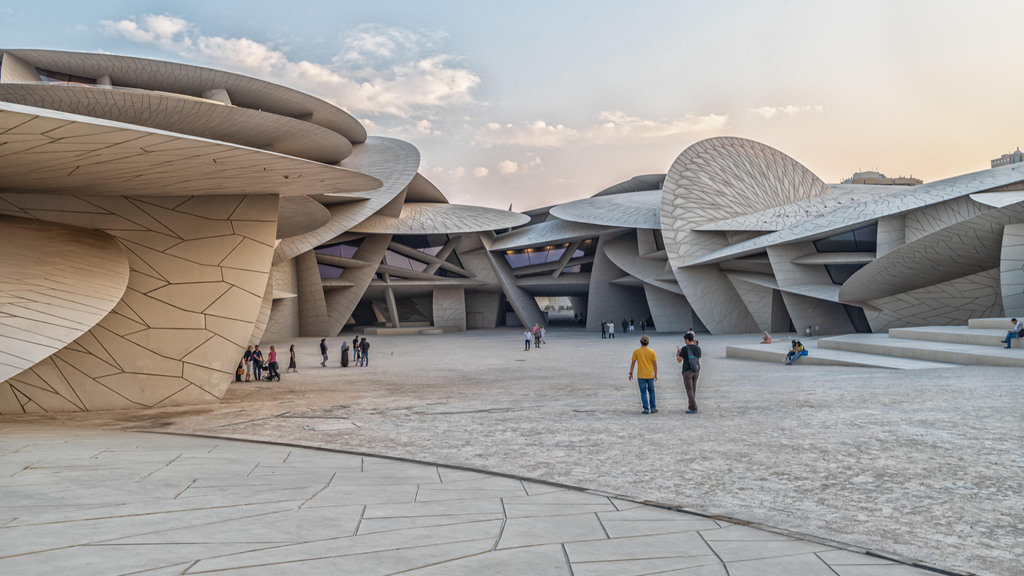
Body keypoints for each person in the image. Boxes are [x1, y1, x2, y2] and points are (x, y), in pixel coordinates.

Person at [628, 335, 658, 414]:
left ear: (640, 342)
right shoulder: (652, 352)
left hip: (641, 375)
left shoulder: (636, 351)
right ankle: (653, 408)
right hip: (650, 374)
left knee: (643, 392)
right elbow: (655, 364)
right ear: (648, 343)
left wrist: (630, 373)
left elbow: (633, 363)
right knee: (651, 391)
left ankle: (646, 409)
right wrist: (656, 374)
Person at [677, 332, 702, 414]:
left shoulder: (685, 348)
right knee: (693, 389)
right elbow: (698, 357)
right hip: (696, 370)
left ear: (687, 339)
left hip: (687, 371)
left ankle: (693, 408)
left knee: (689, 390)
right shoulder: (698, 348)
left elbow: (679, 360)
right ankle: (691, 405)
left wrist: (678, 353)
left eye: (685, 339)